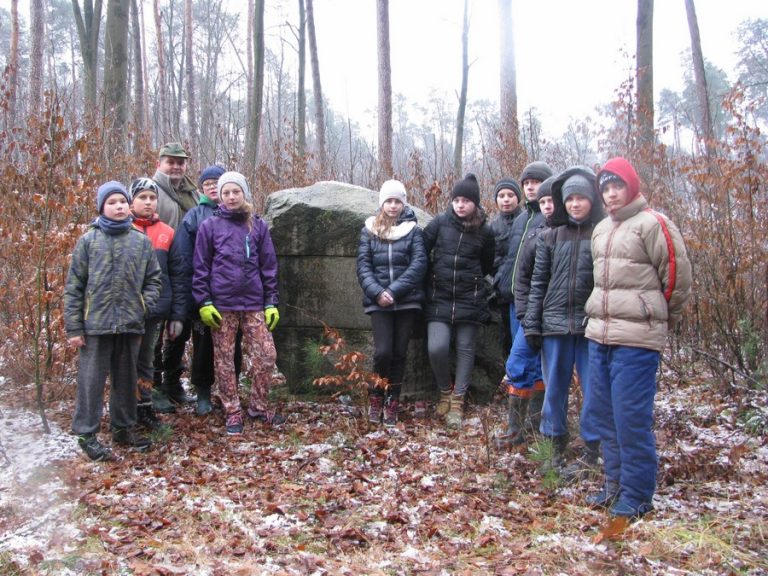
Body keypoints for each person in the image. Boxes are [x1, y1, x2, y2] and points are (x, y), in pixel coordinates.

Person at [584, 157, 692, 520]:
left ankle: (637, 494)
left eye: (617, 186)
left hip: (637, 342)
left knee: (630, 417)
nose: (611, 194)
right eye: (606, 188)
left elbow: (676, 279)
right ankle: (614, 484)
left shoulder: (654, 223)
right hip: (599, 336)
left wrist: (656, 321)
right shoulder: (600, 229)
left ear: (631, 187)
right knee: (603, 415)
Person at [64, 181, 162, 461]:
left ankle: (123, 428)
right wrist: (74, 327)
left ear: (128, 206)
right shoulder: (88, 241)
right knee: (91, 381)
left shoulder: (140, 241)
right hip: (95, 325)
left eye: (122, 202)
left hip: (130, 324)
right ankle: (86, 433)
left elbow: (153, 279)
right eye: (112, 203)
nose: (118, 207)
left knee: (126, 378)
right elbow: (74, 287)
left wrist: (143, 305)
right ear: (102, 208)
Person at [523, 167, 604, 476]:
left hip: (589, 326)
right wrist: (532, 324)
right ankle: (553, 445)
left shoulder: (601, 234)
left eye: (581, 198)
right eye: (570, 199)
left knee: (593, 388)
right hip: (554, 324)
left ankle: (592, 448)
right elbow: (537, 283)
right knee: (554, 388)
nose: (575, 204)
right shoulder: (550, 236)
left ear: (591, 200)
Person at [192, 171, 282, 435]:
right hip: (221, 305)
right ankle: (232, 410)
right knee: (224, 359)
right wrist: (204, 302)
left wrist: (271, 302)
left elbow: (269, 266)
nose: (231, 197)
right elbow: (200, 267)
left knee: (267, 355)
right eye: (226, 193)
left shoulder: (257, 225)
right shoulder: (209, 226)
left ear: (244, 193)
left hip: (254, 303)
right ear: (219, 196)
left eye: (236, 192)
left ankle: (258, 405)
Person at [423, 173, 495, 428]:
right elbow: (421, 247)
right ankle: (444, 390)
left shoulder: (485, 230)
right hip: (439, 296)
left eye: (466, 200)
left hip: (470, 297)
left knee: (466, 348)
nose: (460, 204)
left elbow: (487, 262)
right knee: (437, 347)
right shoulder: (440, 222)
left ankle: (458, 400)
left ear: (475, 203)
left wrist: (474, 282)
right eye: (456, 200)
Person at [356, 180, 427, 427]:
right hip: (379, 303)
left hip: (406, 301)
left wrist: (394, 292)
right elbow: (363, 266)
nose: (393, 205)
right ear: (382, 203)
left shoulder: (414, 231)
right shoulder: (369, 230)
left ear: (403, 203)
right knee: (383, 352)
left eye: (398, 201)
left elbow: (418, 265)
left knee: (399, 353)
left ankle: (393, 400)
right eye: (389, 201)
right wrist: (378, 293)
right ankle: (377, 395)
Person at [175, 165, 243, 416]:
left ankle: (231, 392)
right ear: (201, 189)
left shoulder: (239, 215)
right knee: (203, 347)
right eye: (207, 184)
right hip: (204, 294)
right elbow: (185, 259)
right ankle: (203, 392)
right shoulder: (194, 216)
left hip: (233, 297)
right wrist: (196, 298)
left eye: (218, 182)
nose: (213, 187)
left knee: (232, 347)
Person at [495, 161, 554, 442]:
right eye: (527, 182)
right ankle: (521, 429)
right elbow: (509, 258)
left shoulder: (549, 217)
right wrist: (499, 284)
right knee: (527, 364)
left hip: (536, 306)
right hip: (513, 301)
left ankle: (526, 426)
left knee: (522, 363)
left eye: (536, 181)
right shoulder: (521, 219)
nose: (530, 186)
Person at [129, 178, 187, 430]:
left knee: (147, 361)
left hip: (157, 309)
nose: (149, 202)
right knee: (124, 360)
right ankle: (124, 412)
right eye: (142, 197)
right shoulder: (122, 229)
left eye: (152, 198)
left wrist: (177, 314)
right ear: (131, 200)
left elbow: (177, 275)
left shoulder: (167, 232)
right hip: (126, 311)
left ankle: (145, 407)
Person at [151, 142, 199, 411]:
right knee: (156, 329)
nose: (176, 166)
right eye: (171, 162)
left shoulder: (192, 193)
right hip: (158, 270)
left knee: (179, 329)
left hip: (185, 272)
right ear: (160, 164)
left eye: (181, 162)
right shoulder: (152, 191)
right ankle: (154, 386)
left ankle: (172, 382)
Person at [490, 178, 523, 357]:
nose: (506, 199)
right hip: (503, 291)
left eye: (510, 195)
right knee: (507, 338)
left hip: (524, 290)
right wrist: (501, 277)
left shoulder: (526, 220)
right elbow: (491, 259)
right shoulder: (493, 226)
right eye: (501, 196)